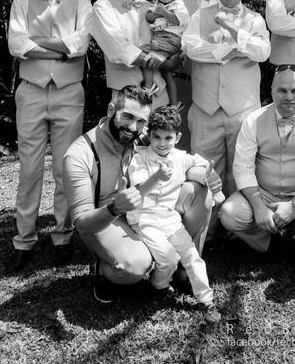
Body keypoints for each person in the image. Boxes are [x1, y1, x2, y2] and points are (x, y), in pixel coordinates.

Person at [63, 86, 213, 303]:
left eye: (141, 121)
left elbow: (179, 163)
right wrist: (114, 207)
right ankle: (105, 270)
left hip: (144, 210)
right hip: (105, 218)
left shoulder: (142, 137)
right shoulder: (79, 155)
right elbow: (82, 223)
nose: (134, 127)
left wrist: (207, 176)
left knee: (199, 193)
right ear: (111, 110)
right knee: (136, 264)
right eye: (127, 117)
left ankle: (182, 267)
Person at [5, 0, 92, 272]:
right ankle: (24, 240)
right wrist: (60, 50)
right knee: (29, 169)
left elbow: (79, 46)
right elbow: (17, 45)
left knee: (64, 168)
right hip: (31, 91)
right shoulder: (22, 1)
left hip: (69, 92)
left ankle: (62, 235)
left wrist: (37, 42)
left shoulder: (82, 4)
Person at [219, 65, 295, 261]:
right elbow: (242, 168)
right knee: (229, 214)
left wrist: (294, 205)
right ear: (272, 91)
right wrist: (258, 206)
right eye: (282, 90)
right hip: (263, 193)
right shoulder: (254, 120)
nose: (289, 97)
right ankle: (267, 244)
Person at [182, 0, 270, 202]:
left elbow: (262, 52)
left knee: (242, 173)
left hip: (243, 110)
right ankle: (207, 225)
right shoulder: (201, 14)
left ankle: (237, 222)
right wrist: (231, 50)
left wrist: (231, 28)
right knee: (204, 174)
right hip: (205, 109)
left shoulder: (255, 19)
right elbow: (191, 48)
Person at [126, 106, 221, 323]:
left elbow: (200, 163)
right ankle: (158, 285)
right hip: (144, 219)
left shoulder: (179, 157)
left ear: (177, 137)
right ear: (149, 135)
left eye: (168, 138)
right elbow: (139, 191)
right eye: (156, 137)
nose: (162, 143)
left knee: (191, 256)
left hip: (170, 219)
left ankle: (207, 301)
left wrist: (209, 174)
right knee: (169, 258)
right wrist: (158, 176)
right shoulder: (140, 158)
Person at [89, 0, 181, 105]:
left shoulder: (154, 8)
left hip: (161, 97)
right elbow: (119, 49)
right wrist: (166, 62)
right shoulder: (103, 6)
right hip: (126, 99)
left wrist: (176, 56)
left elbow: (175, 38)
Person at [176, 0, 219, 151]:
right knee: (178, 143)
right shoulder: (177, 4)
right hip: (183, 82)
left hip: (213, 85)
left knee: (208, 149)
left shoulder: (226, 5)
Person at [142, 0, 190, 107]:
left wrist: (163, 12)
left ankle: (148, 87)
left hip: (171, 38)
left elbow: (177, 20)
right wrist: (160, 12)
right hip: (161, 38)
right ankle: (174, 104)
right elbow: (149, 17)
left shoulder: (179, 5)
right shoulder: (157, 5)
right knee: (167, 73)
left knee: (144, 54)